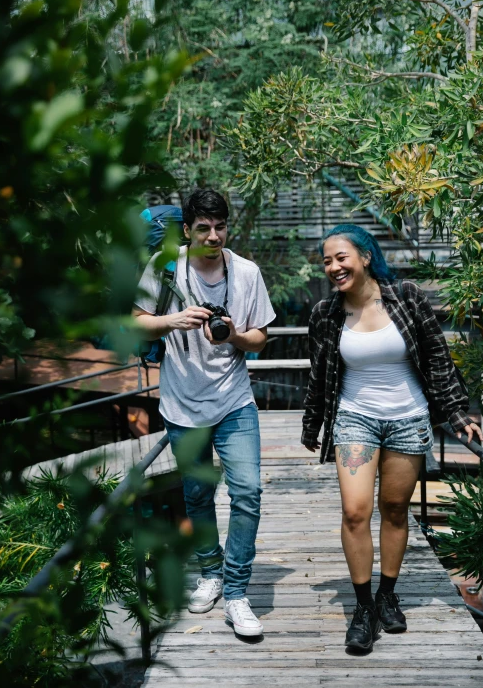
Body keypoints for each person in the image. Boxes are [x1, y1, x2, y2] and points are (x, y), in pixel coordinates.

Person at [301, 224, 482, 653]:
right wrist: (312, 425)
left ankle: (388, 594)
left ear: (365, 257)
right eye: (326, 260)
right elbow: (318, 375)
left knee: (396, 509)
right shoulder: (325, 314)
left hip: (408, 418)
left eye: (340, 257)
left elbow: (437, 357)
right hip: (355, 419)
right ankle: (363, 607)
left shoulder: (406, 296)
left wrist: (457, 412)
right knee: (355, 512)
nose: (333, 267)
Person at [133, 188, 276, 637]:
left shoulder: (247, 272)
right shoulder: (164, 267)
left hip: (234, 400)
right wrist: (171, 320)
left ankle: (236, 592)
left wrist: (234, 335)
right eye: (203, 228)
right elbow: (136, 320)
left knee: (248, 491)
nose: (213, 236)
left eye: (220, 227)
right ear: (187, 229)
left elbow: (260, 339)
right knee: (196, 495)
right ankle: (210, 573)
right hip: (181, 404)